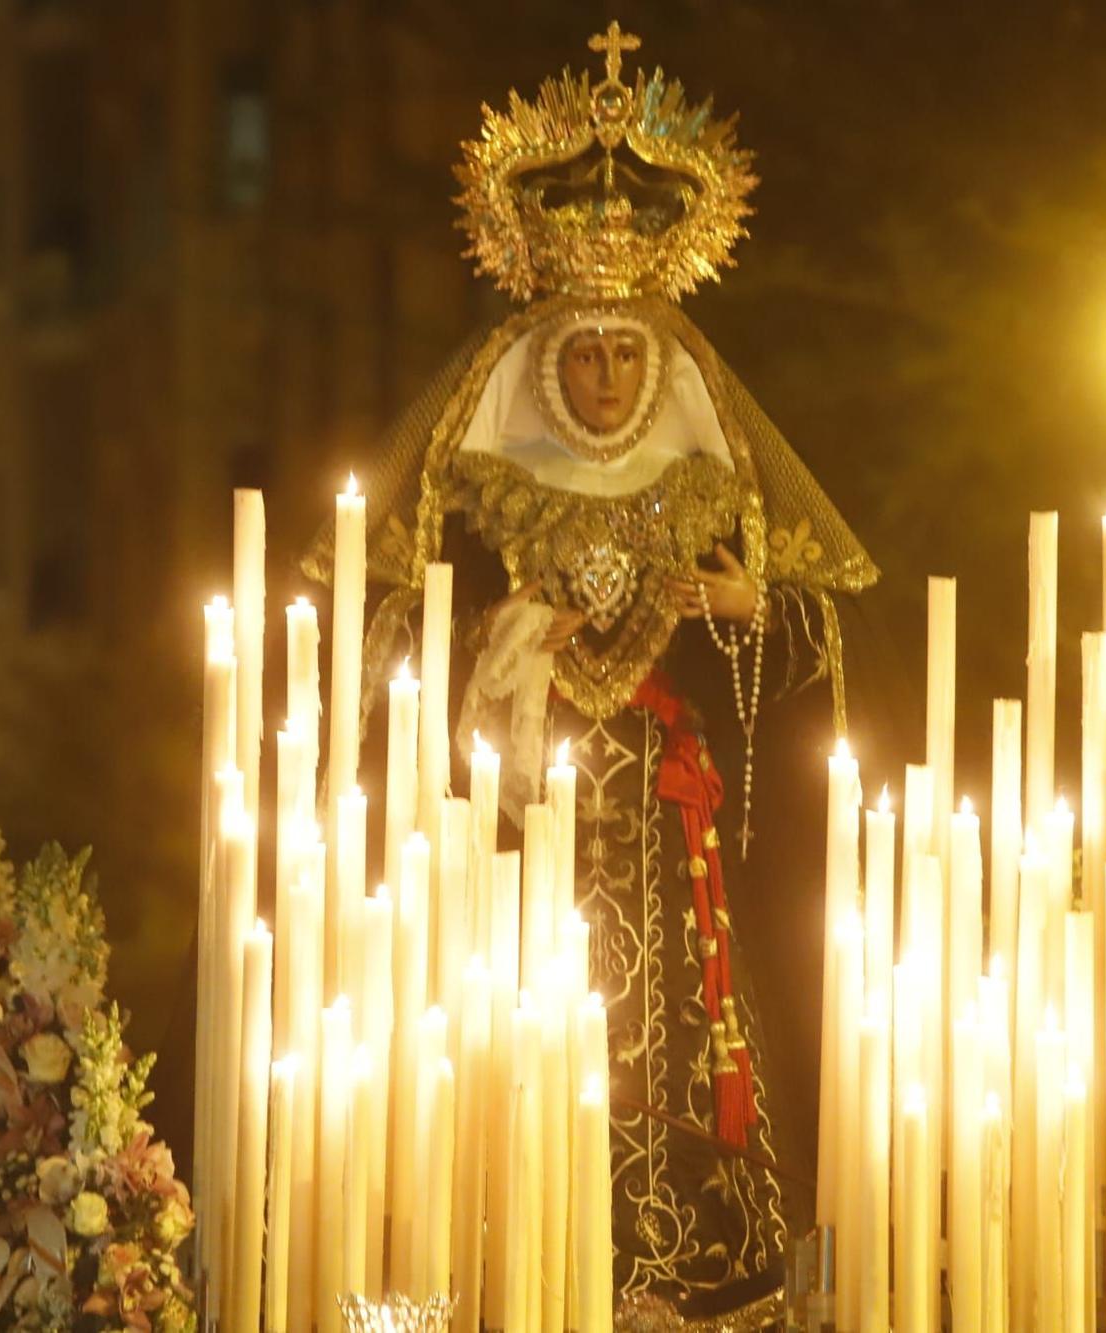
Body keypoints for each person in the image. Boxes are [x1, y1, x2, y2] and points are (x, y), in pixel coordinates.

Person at [308, 25, 875, 1320]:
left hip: (674, 828)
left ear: (658, 362)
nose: (612, 375)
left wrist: (747, 606)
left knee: (680, 1045)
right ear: (548, 364)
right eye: (588, 354)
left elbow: (827, 660)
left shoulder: (709, 480)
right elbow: (396, 650)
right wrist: (504, 647)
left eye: (630, 354)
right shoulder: (473, 488)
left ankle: (691, 1254)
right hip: (521, 824)